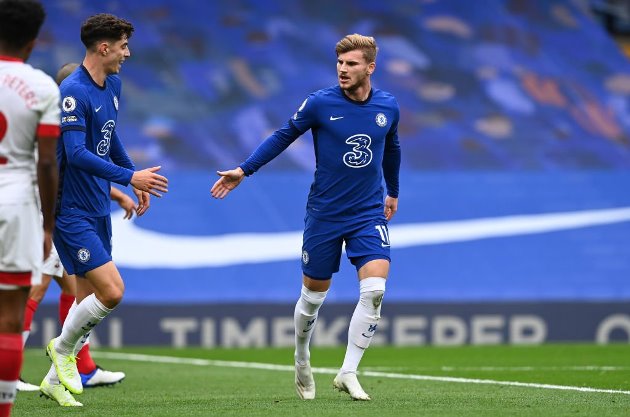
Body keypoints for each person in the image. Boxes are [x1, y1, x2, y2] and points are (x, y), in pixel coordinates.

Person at [211, 33, 401, 401]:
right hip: (325, 213)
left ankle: (348, 371)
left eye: (351, 64)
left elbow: (391, 147)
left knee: (375, 290)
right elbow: (283, 136)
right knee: (313, 297)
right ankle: (301, 357)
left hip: (367, 212)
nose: (343, 69)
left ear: (370, 68)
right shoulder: (320, 103)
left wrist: (392, 191)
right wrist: (244, 169)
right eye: (340, 63)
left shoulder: (388, 106)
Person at [39, 13, 168, 407]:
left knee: (85, 301)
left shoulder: (112, 84)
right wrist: (129, 177)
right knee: (112, 292)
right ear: (104, 47)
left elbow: (110, 138)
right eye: (124, 46)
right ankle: (61, 351)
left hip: (97, 206)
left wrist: (133, 178)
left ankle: (53, 382)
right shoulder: (73, 91)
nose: (127, 54)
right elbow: (76, 154)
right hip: (71, 209)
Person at [18, 63, 134, 394]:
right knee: (40, 288)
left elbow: (77, 167)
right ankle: (9, 371)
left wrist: (117, 192)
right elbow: (53, 168)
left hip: (74, 210)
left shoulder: (77, 118)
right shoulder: (52, 122)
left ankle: (74, 371)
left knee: (76, 293)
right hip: (50, 216)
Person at [0, 1, 59, 415]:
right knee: (9, 318)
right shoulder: (41, 86)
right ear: (34, 41)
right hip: (15, 203)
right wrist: (48, 226)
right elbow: (46, 163)